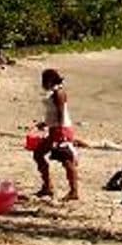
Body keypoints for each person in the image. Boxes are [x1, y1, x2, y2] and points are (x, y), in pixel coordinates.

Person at [33, 68, 79, 201]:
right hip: (56, 129)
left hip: (61, 130)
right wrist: (46, 124)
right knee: (38, 154)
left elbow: (61, 114)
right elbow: (54, 113)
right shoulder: (54, 92)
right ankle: (48, 186)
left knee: (66, 160)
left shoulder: (58, 93)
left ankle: (73, 191)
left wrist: (59, 132)